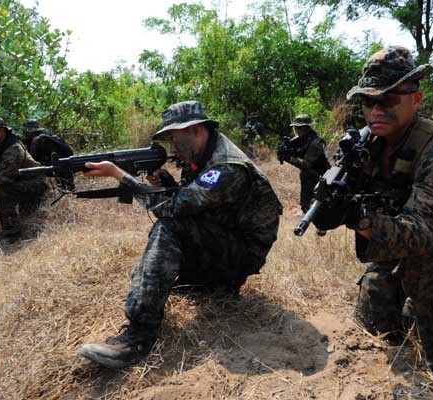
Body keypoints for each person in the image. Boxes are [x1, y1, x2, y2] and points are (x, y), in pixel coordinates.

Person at [77, 100, 282, 368]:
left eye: (175, 138)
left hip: (240, 257)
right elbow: (194, 202)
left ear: (196, 130)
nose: (172, 149)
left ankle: (138, 337)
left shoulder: (226, 167)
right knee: (171, 235)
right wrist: (168, 184)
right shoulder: (203, 155)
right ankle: (208, 285)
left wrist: (120, 175)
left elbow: (172, 209)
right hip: (224, 245)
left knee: (169, 227)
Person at [339, 46, 433, 379]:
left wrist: (360, 219)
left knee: (422, 263)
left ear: (416, 100)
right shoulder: (367, 142)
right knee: (375, 326)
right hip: (392, 228)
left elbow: (423, 232)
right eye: (367, 101)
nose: (375, 110)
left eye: (387, 100)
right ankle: (406, 307)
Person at [278, 115, 330, 212]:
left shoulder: (315, 142)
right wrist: (285, 151)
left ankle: (308, 206)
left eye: (299, 128)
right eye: (295, 127)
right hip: (314, 175)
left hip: (321, 175)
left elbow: (306, 164)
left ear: (306, 128)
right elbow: (297, 151)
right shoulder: (302, 139)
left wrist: (289, 158)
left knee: (306, 174)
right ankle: (306, 206)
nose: (296, 130)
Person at [21, 119, 75, 191]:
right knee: (68, 189)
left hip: (57, 166)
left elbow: (34, 160)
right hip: (67, 163)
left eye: (25, 131)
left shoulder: (37, 140)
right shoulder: (47, 134)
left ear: (28, 131)